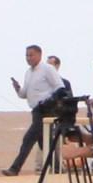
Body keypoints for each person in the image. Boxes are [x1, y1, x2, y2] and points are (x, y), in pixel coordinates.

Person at [6, 46, 68, 174]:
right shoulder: (28, 72)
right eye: (26, 56)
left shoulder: (47, 69)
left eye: (31, 55)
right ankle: (57, 169)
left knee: (28, 139)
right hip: (35, 110)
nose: (28, 58)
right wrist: (17, 88)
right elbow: (24, 94)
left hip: (46, 109)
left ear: (39, 55)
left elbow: (60, 88)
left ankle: (15, 168)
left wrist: (49, 101)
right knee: (44, 142)